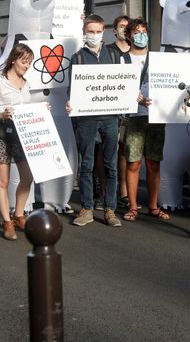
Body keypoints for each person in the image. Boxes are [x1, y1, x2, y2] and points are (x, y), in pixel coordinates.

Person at [66, 14, 122, 227]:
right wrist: (71, 103)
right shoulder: (77, 58)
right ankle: (87, 208)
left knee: (111, 166)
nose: (95, 35)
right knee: (86, 165)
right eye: (91, 31)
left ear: (104, 31)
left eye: (98, 31)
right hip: (86, 119)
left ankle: (110, 209)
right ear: (84, 32)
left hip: (110, 118)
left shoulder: (114, 56)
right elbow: (72, 90)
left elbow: (121, 85)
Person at [0, 43, 38, 240]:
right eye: (24, 61)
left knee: (27, 178)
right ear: (13, 60)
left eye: (29, 62)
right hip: (2, 135)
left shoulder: (26, 83)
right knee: (3, 181)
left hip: (22, 136)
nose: (27, 66)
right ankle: (6, 222)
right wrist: (3, 114)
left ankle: (19, 214)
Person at [120, 18, 169, 222]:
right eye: (137, 32)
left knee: (154, 163)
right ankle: (133, 206)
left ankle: (153, 205)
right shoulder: (122, 59)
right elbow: (120, 85)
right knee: (133, 163)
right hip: (134, 118)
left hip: (156, 116)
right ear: (129, 36)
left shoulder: (158, 58)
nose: (141, 35)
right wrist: (137, 98)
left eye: (144, 31)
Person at [106, 15, 131, 207]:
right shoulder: (108, 51)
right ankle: (105, 192)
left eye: (127, 26)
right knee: (105, 152)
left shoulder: (136, 52)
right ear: (114, 30)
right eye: (121, 26)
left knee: (124, 151)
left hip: (131, 107)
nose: (125, 29)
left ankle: (123, 192)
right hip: (110, 106)